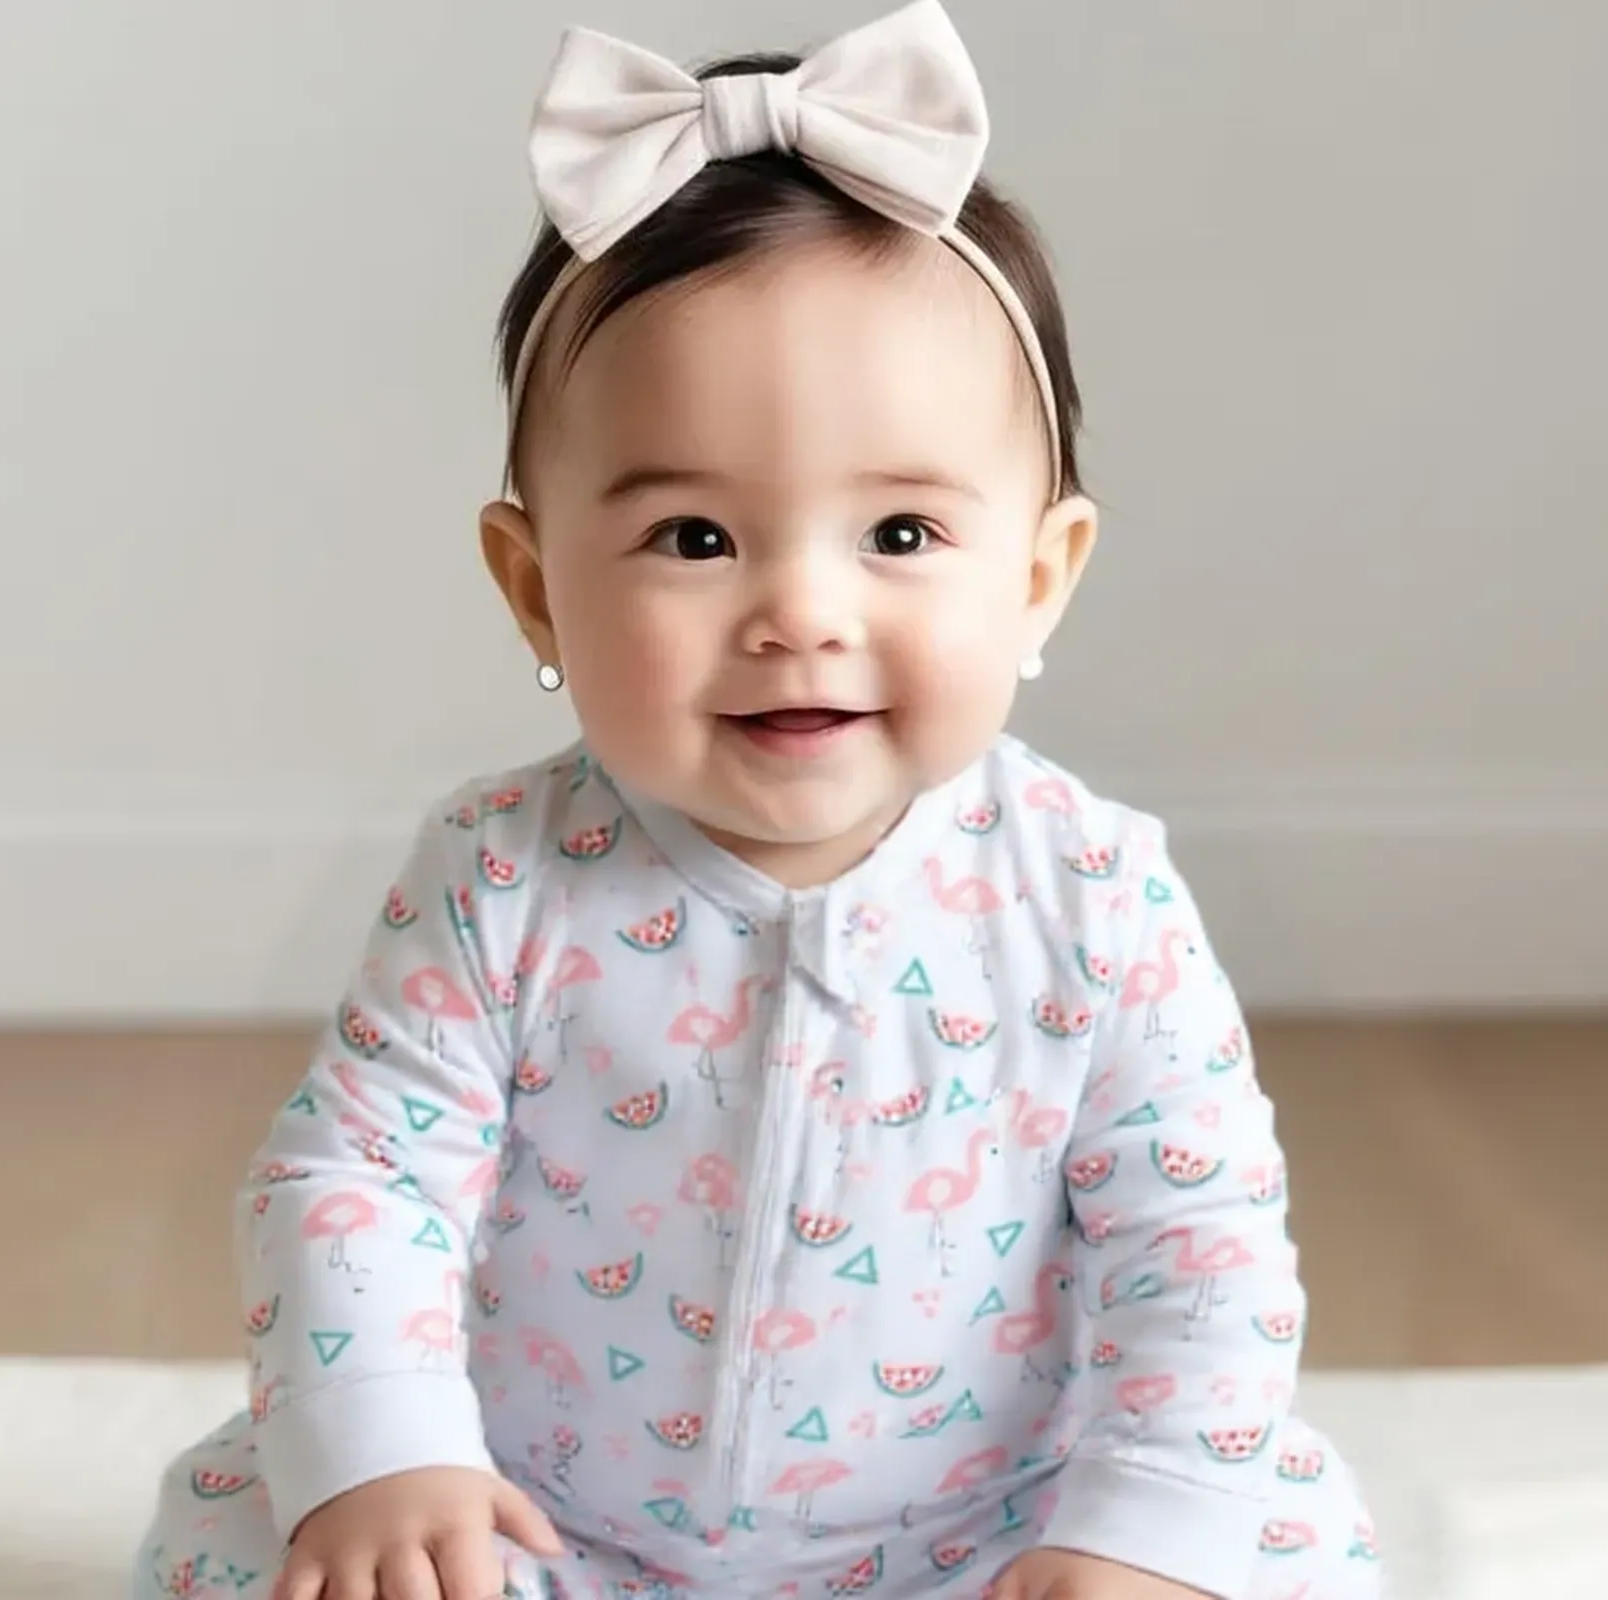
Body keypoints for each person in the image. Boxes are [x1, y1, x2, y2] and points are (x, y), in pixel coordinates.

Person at [134, 8, 1378, 1598]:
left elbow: (1195, 1244)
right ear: (535, 587)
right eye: (694, 540)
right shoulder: (501, 879)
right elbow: (361, 1180)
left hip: (987, 1544)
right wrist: (391, 1454)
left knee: (1263, 1544)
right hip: (552, 1527)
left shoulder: (1091, 895)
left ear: (1038, 577)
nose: (799, 612)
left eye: (901, 536)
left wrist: (1133, 1532)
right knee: (276, 1544)